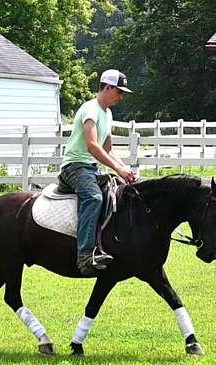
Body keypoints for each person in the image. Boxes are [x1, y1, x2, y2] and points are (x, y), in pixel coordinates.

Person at [58, 69, 137, 276]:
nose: (121, 97)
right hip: (74, 166)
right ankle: (85, 255)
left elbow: (108, 148)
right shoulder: (90, 109)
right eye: (119, 92)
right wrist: (117, 168)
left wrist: (125, 169)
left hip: (91, 168)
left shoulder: (107, 113)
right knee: (93, 197)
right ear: (107, 87)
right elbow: (93, 145)